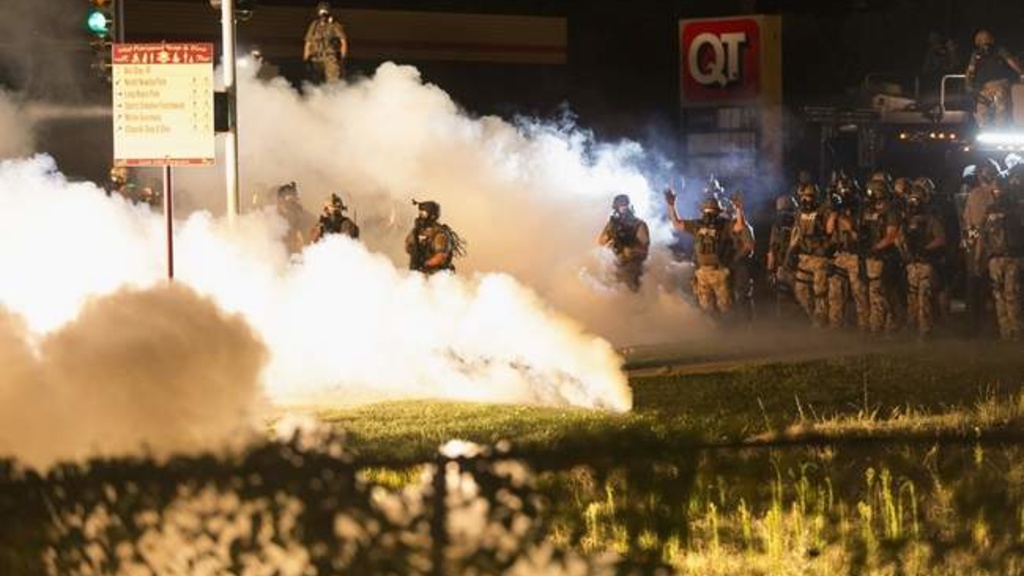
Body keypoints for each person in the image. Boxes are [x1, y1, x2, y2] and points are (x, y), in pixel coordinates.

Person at [664, 187, 736, 318]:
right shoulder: (698, 225)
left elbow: (739, 227)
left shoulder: (724, 225)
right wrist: (671, 206)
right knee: (708, 308)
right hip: (703, 272)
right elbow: (677, 224)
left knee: (725, 307)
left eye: (711, 212)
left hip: (718, 271)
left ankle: (728, 333)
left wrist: (739, 210)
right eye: (707, 212)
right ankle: (712, 333)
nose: (709, 216)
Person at [899, 183, 947, 339]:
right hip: (912, 264)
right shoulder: (906, 220)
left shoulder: (931, 219)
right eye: (911, 200)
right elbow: (900, 239)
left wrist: (925, 249)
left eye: (916, 200)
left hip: (926, 263)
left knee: (924, 297)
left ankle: (925, 331)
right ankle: (912, 326)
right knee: (912, 297)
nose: (913, 203)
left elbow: (940, 239)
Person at [979, 181, 1023, 340]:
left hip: (1011, 257)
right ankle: (1006, 332)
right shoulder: (991, 210)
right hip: (997, 258)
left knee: (1011, 295)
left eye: (999, 190)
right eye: (995, 190)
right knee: (1000, 296)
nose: (998, 193)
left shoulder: (1018, 208)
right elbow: (983, 234)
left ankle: (1016, 332)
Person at [786, 182, 833, 328]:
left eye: (808, 196)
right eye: (802, 196)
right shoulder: (800, 213)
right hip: (804, 256)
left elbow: (829, 231)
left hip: (820, 256)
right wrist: (790, 253)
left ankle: (822, 320)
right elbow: (796, 234)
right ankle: (814, 316)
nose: (805, 199)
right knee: (800, 290)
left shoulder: (823, 211)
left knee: (820, 291)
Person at [960, 163, 999, 336]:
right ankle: (987, 327)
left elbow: (971, 225)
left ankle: (974, 327)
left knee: (975, 287)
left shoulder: (975, 194)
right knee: (993, 289)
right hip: (991, 249)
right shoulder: (994, 195)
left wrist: (973, 250)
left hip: (977, 246)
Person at [826, 175, 869, 332]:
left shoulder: (860, 208)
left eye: (846, 190)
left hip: (855, 254)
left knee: (859, 291)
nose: (844, 193)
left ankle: (864, 325)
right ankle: (836, 325)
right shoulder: (837, 209)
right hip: (839, 254)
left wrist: (844, 216)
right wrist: (835, 212)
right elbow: (829, 229)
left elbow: (857, 233)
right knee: (836, 291)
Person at [861, 178, 902, 335]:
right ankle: (877, 326)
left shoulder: (890, 210)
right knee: (873, 292)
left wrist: (876, 248)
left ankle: (884, 327)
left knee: (881, 292)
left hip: (885, 256)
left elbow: (892, 234)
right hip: (871, 256)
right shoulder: (868, 209)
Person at [964, 29, 1024, 128]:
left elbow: (970, 71)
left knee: (983, 114)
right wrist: (1021, 72)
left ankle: (986, 134)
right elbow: (1013, 64)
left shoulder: (976, 54)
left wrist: (968, 85)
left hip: (984, 88)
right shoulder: (999, 50)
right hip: (998, 86)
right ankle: (1000, 134)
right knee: (1001, 113)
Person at [597, 194, 650, 292]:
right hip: (615, 265)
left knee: (630, 293)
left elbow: (645, 251)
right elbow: (601, 242)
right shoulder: (613, 224)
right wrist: (611, 233)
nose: (624, 208)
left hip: (632, 268)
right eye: (621, 206)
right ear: (616, 208)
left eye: (625, 205)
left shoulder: (638, 225)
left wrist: (630, 251)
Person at [405, 200, 465, 275]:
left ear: (432, 215)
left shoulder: (440, 234)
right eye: (420, 212)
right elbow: (408, 246)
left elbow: (440, 256)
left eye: (423, 213)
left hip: (439, 275)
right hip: (423, 272)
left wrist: (424, 264)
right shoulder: (418, 230)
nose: (420, 215)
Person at [766, 194, 798, 317]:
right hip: (797, 267)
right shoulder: (798, 221)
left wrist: (770, 270)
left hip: (783, 267)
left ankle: (785, 327)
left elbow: (772, 250)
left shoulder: (777, 226)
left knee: (784, 299)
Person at [303, 1, 348, 84]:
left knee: (332, 84)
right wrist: (305, 59)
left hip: (330, 58)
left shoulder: (334, 25)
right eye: (321, 11)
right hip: (315, 59)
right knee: (314, 85)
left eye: (325, 11)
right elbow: (308, 42)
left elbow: (343, 41)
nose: (323, 14)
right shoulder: (314, 25)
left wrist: (342, 58)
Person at [275, 182, 315, 255]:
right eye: (288, 197)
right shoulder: (274, 215)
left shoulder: (303, 215)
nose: (292, 201)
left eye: (293, 198)